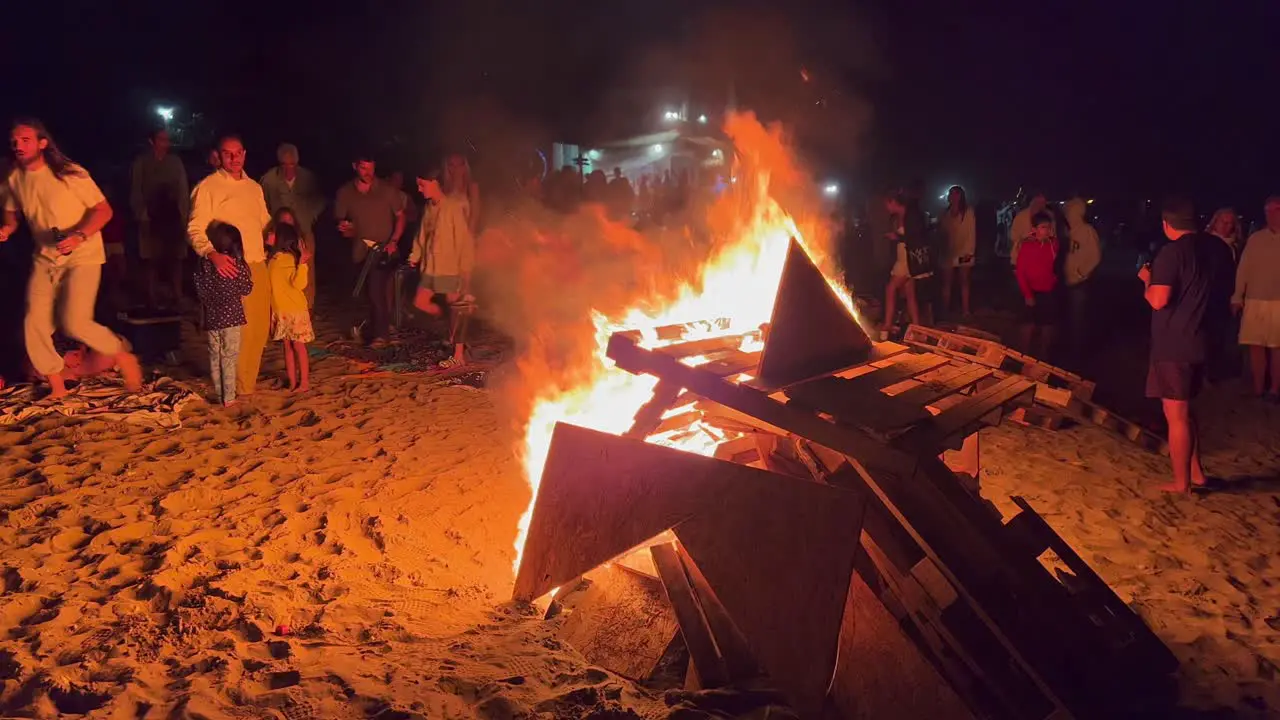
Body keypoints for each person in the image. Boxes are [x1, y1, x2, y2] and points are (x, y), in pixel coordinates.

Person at [0, 119, 143, 397]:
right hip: (45, 258)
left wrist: (79, 235)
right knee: (34, 323)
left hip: (83, 256)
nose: (18, 145)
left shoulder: (69, 173)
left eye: (25, 139)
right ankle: (57, 389)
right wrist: (7, 228)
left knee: (74, 321)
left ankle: (123, 355)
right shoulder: (14, 178)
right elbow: (10, 211)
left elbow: (104, 211)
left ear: (43, 143)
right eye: (14, 141)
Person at [1139, 197, 1234, 493]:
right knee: (1186, 410)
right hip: (1201, 339)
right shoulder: (1216, 249)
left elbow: (1158, 300)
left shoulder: (1172, 253)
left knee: (1175, 415)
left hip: (1175, 344)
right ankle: (1197, 475)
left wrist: (1146, 280)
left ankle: (1181, 483)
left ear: (1167, 225)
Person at [187, 134, 272, 397]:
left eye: (238, 153)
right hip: (229, 265)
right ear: (219, 156)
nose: (234, 159)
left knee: (259, 329)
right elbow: (194, 228)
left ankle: (247, 383)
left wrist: (280, 237)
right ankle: (235, 388)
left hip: (257, 263)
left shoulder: (254, 187)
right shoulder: (208, 187)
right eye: (227, 154)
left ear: (245, 154)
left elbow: (264, 221)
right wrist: (212, 254)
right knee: (237, 332)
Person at [334, 152, 404, 347]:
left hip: (384, 250)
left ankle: (382, 335)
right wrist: (345, 228)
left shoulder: (387, 190)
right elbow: (341, 222)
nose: (368, 173)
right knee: (366, 292)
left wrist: (394, 240)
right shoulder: (345, 192)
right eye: (364, 168)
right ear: (355, 166)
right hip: (359, 250)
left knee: (376, 290)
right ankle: (373, 327)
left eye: (371, 169)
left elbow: (400, 216)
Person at [411, 173, 476, 369]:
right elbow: (422, 235)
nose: (419, 189)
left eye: (422, 185)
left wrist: (465, 270)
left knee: (456, 309)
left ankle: (458, 355)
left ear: (434, 183)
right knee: (420, 302)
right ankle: (450, 330)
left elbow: (464, 240)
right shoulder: (429, 207)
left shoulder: (453, 208)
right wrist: (414, 257)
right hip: (431, 266)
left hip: (449, 268)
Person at [193, 223, 253, 406]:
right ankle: (229, 397)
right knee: (229, 357)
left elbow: (199, 289)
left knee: (214, 356)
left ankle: (220, 394)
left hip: (212, 317)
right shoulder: (236, 265)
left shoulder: (204, 265)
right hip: (232, 317)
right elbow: (246, 288)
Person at [129, 128, 190, 307]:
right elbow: (136, 190)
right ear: (152, 141)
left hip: (172, 216)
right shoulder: (141, 162)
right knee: (151, 258)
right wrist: (141, 214)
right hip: (151, 215)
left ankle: (177, 294)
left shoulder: (175, 162)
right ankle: (151, 294)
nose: (165, 143)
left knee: (176, 258)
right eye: (161, 139)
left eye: (167, 140)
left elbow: (183, 190)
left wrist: (184, 216)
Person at [1233, 196, 1280, 400]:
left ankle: (1275, 390)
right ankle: (1258, 389)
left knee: (1277, 348)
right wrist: (1237, 296)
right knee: (1256, 346)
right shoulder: (1256, 239)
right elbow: (1244, 269)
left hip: (1278, 302)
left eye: (1276, 210)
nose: (1272, 215)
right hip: (1254, 300)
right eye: (1268, 211)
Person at [267, 223, 313, 392]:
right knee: (287, 347)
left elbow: (299, 284)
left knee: (298, 346)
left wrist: (302, 263)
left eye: (272, 232)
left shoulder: (289, 259)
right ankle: (293, 383)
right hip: (281, 311)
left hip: (295, 311)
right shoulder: (272, 260)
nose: (268, 235)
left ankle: (305, 383)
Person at [879, 191, 930, 339]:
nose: (886, 208)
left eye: (887, 204)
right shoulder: (898, 217)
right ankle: (918, 330)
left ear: (894, 202)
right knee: (910, 294)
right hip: (903, 256)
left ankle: (887, 325)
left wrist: (897, 237)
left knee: (891, 289)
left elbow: (918, 236)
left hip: (909, 258)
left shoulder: (912, 215)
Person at [1015, 211, 1061, 358]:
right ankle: (1024, 356)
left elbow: (1055, 244)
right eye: (1042, 227)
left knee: (1047, 325)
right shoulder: (1027, 246)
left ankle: (1043, 357)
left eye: (1048, 227)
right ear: (1034, 229)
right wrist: (1027, 295)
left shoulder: (1052, 245)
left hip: (1048, 290)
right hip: (1031, 290)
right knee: (1028, 325)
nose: (1046, 230)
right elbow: (1020, 273)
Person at [1062, 196, 1102, 365]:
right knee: (1068, 318)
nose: (1067, 213)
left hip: (1079, 284)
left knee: (1078, 320)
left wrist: (1081, 273)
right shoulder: (1067, 232)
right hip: (1066, 282)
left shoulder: (1087, 231)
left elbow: (1095, 256)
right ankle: (1068, 351)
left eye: (1069, 210)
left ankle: (1077, 357)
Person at [259, 143, 324, 236]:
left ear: (297, 162)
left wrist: (310, 218)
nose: (288, 168)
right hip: (279, 234)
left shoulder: (308, 178)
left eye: (292, 164)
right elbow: (262, 206)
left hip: (303, 232)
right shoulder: (269, 181)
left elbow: (319, 201)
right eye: (284, 164)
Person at [940, 185, 976, 317]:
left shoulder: (968, 212)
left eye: (956, 194)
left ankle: (965, 310)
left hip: (964, 252)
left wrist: (969, 252)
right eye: (951, 194)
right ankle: (945, 309)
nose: (953, 197)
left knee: (964, 281)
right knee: (947, 282)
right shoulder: (945, 213)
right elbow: (942, 234)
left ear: (961, 196)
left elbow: (971, 233)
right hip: (948, 253)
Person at [270, 207, 315, 308]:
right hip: (280, 307)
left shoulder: (298, 247)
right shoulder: (273, 253)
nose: (286, 224)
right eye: (283, 221)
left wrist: (302, 263)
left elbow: (300, 283)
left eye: (289, 220)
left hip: (293, 308)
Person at [1009, 191, 1056, 267]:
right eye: (1037, 202)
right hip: (1023, 259)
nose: (1041, 205)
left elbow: (1053, 235)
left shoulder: (1049, 216)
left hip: (1043, 260)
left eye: (1043, 202)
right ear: (1031, 202)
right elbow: (1014, 236)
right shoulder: (1021, 217)